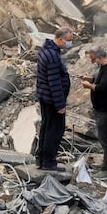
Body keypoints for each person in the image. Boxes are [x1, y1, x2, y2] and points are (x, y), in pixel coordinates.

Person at [34, 27, 75, 172]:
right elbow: (54, 82)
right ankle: (49, 162)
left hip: (46, 97)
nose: (69, 44)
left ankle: (41, 159)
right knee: (55, 130)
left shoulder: (48, 51)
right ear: (60, 39)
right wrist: (60, 105)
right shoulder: (52, 56)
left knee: (46, 127)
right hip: (52, 100)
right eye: (69, 41)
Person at [80, 46, 107, 174]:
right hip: (101, 109)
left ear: (100, 58)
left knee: (105, 139)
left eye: (94, 60)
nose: (94, 63)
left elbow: (102, 88)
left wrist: (89, 86)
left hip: (105, 110)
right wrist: (90, 79)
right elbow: (101, 82)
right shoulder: (105, 68)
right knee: (104, 138)